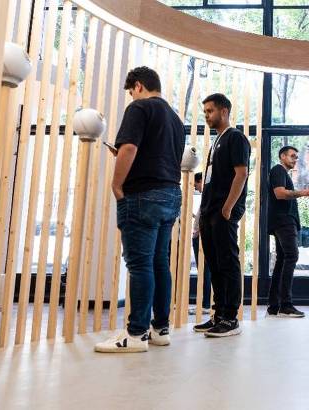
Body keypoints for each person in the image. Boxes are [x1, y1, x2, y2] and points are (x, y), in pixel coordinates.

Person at [95, 66, 183, 353]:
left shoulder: (139, 109)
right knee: (159, 263)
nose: (131, 96)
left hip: (142, 195)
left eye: (131, 90)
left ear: (140, 86)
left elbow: (130, 149)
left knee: (140, 264)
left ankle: (135, 334)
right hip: (170, 194)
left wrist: (117, 185)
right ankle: (160, 329)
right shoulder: (175, 118)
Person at [193, 93, 250, 338]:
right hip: (209, 211)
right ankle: (218, 314)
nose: (207, 115)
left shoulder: (235, 137)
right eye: (205, 111)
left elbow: (241, 174)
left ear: (224, 111)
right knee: (214, 265)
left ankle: (230, 318)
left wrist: (227, 208)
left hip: (223, 211)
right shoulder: (217, 141)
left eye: (210, 111)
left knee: (227, 263)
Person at [266, 146, 309, 318]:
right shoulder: (278, 170)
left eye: (296, 157)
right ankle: (285, 305)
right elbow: (280, 194)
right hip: (283, 221)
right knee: (291, 256)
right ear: (282, 156)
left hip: (282, 220)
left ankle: (274, 306)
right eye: (292, 156)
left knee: (283, 260)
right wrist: (305, 192)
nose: (295, 159)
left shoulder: (282, 173)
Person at [190, 172, 211, 316]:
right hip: (200, 235)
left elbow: (204, 215)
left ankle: (205, 304)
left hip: (202, 236)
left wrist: (197, 231)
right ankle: (205, 303)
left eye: (196, 184)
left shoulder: (208, 194)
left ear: (200, 181)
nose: (196, 188)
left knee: (205, 271)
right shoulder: (207, 196)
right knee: (205, 271)